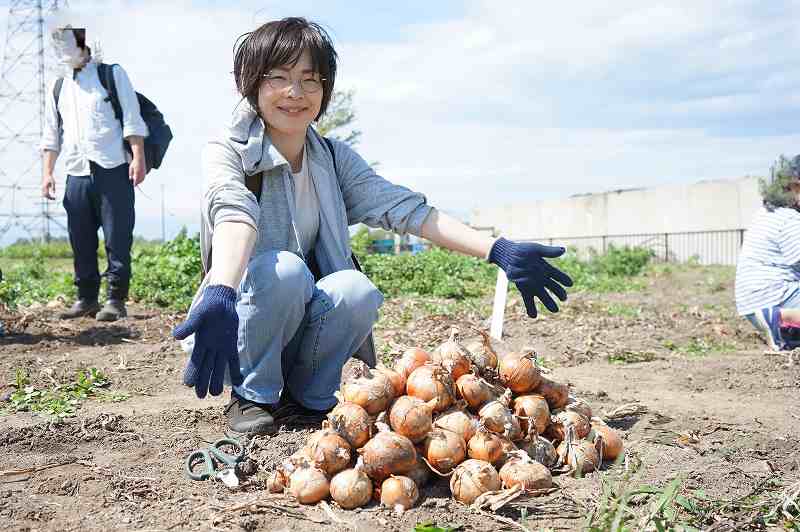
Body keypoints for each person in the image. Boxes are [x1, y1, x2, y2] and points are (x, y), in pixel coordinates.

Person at [173, 17, 573, 434]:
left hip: (303, 322)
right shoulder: (228, 151)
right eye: (278, 77)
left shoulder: (331, 158)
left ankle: (308, 399)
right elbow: (234, 214)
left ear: (325, 88)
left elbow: (406, 210)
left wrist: (497, 249)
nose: (295, 93)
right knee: (284, 270)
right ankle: (252, 395)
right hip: (247, 320)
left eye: (310, 79)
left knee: (354, 288)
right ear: (251, 83)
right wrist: (221, 288)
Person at [40, 26, 148, 322]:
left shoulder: (111, 74)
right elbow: (52, 134)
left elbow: (132, 119)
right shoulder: (58, 86)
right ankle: (86, 298)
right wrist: (47, 173)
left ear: (81, 45)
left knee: (117, 238)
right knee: (81, 240)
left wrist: (138, 158)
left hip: (113, 169)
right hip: (76, 173)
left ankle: (115, 300)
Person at [735, 154, 800, 351]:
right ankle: (781, 321)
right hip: (774, 299)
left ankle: (788, 334)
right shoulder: (789, 219)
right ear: (793, 186)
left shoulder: (768, 212)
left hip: (757, 300)